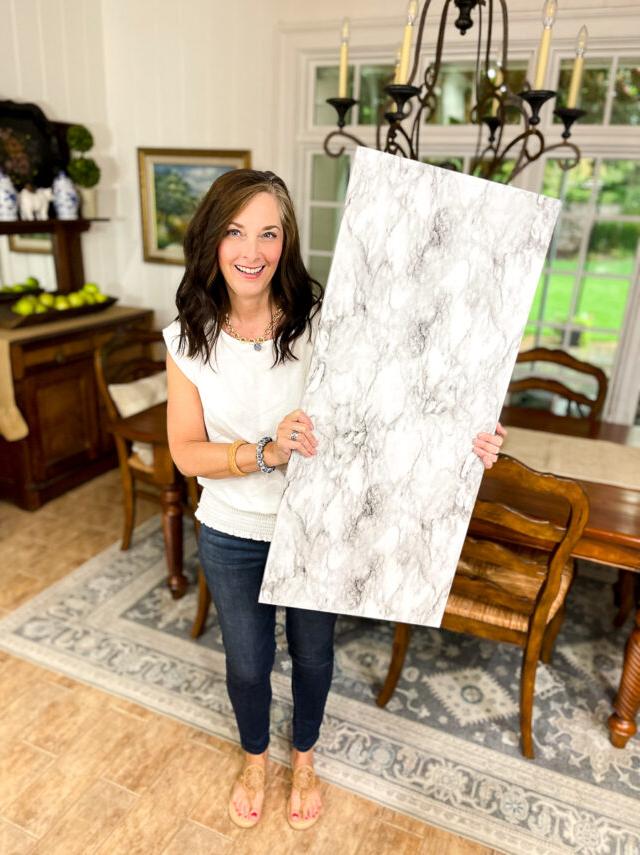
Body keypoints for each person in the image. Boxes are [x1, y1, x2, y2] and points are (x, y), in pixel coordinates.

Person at [163, 168, 505, 832]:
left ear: (286, 241)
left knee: (315, 655)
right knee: (246, 662)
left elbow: (400, 397)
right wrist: (264, 450)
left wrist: (466, 438)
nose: (251, 250)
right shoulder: (186, 340)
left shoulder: (324, 322)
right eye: (235, 231)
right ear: (211, 239)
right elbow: (184, 450)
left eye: (268, 232)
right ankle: (256, 758)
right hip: (231, 531)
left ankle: (306, 757)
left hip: (319, 527)